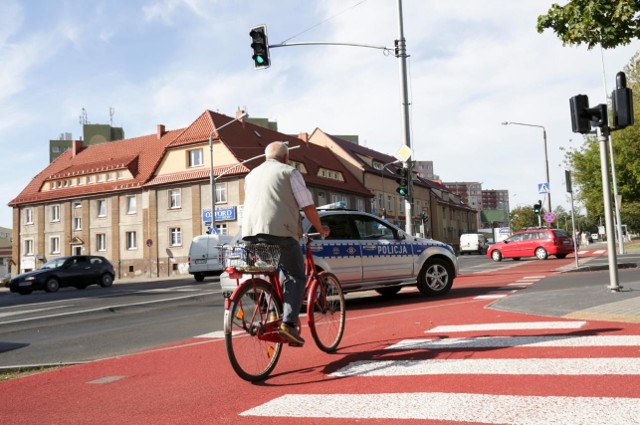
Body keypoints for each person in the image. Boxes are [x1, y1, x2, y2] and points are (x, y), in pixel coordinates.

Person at [242, 141, 330, 346]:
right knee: (295, 275)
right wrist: (321, 228)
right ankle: (289, 324)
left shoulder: (250, 175)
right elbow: (307, 206)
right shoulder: (289, 172)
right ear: (285, 158)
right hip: (280, 232)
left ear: (266, 157)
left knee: (272, 272)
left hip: (249, 233)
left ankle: (273, 315)